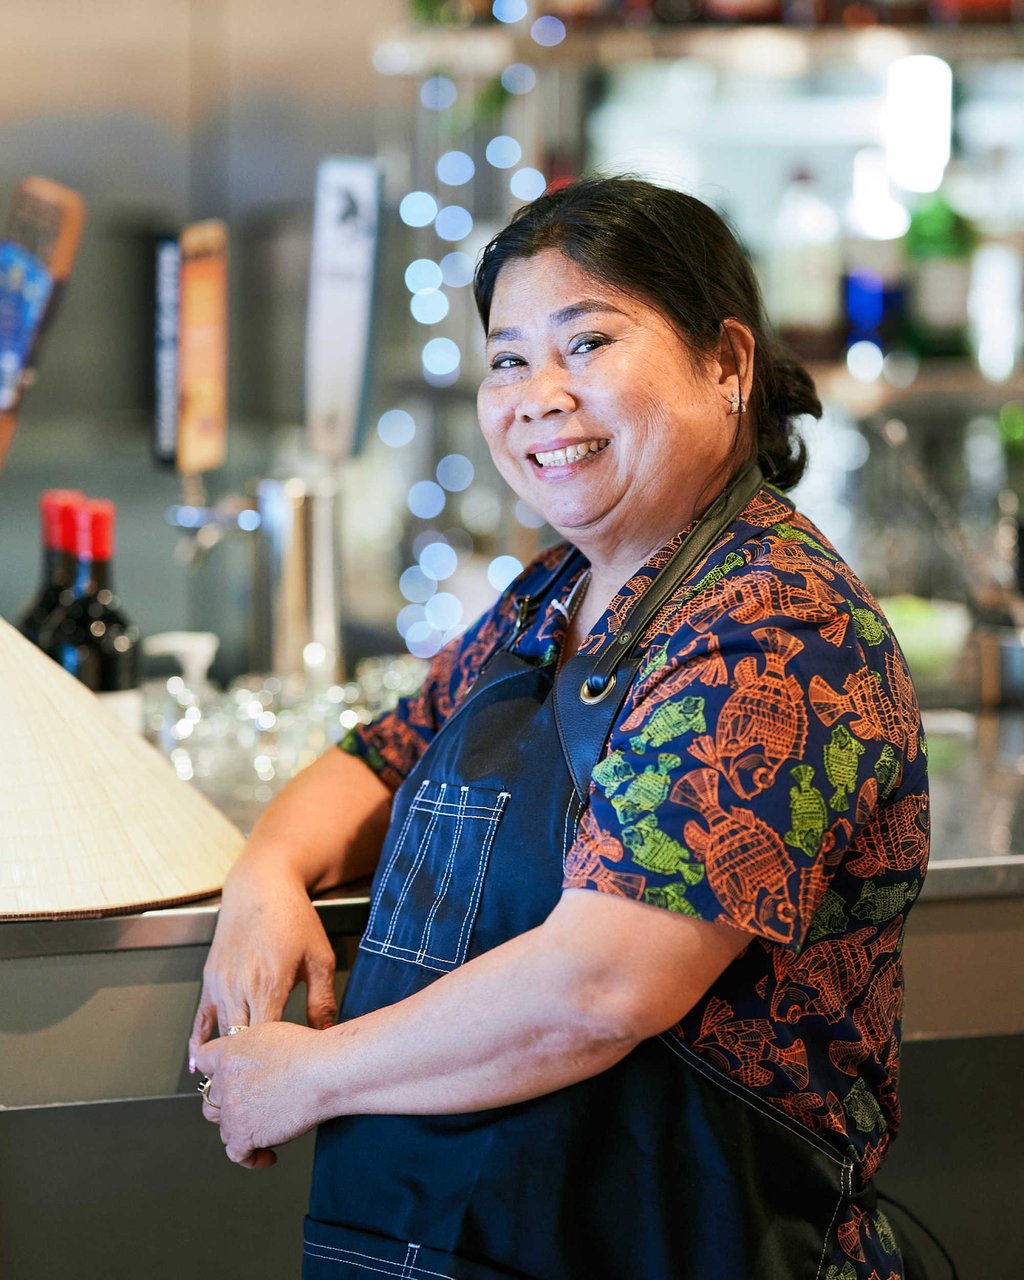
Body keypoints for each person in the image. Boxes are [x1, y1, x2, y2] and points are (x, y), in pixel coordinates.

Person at [192, 176, 929, 1280]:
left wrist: (314, 1072)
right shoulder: (552, 592)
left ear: (725, 363)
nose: (537, 395)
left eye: (586, 343)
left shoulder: (775, 626)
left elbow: (603, 986)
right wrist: (265, 875)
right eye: (507, 357)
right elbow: (378, 751)